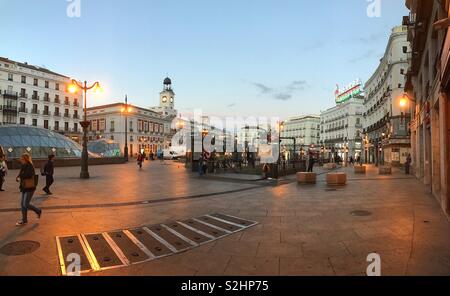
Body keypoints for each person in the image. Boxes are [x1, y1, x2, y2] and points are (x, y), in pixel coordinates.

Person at [16, 153, 41, 226]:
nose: (21, 160)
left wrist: (21, 177)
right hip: (24, 187)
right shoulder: (23, 165)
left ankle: (38, 211)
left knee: (25, 204)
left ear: (25, 159)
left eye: (22, 159)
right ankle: (24, 220)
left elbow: (29, 175)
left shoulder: (30, 166)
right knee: (22, 204)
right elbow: (21, 174)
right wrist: (17, 177)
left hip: (30, 187)